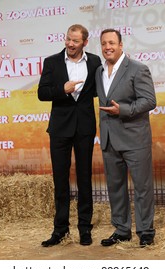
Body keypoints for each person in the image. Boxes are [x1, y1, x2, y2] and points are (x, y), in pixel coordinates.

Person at [38, 24, 101, 247]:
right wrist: (61, 90)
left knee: (85, 179)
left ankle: (85, 229)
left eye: (75, 41)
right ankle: (60, 230)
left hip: (84, 128)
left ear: (84, 42)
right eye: (68, 39)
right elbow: (42, 93)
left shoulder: (94, 62)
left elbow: (100, 90)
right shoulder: (51, 62)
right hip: (59, 129)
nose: (70, 44)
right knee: (60, 181)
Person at [95, 28, 156, 247]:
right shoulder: (99, 72)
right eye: (104, 43)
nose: (107, 47)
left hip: (135, 140)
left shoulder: (138, 69)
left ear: (121, 45)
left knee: (142, 188)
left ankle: (146, 231)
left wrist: (123, 110)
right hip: (110, 140)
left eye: (111, 42)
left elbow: (149, 101)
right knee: (115, 188)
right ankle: (122, 230)